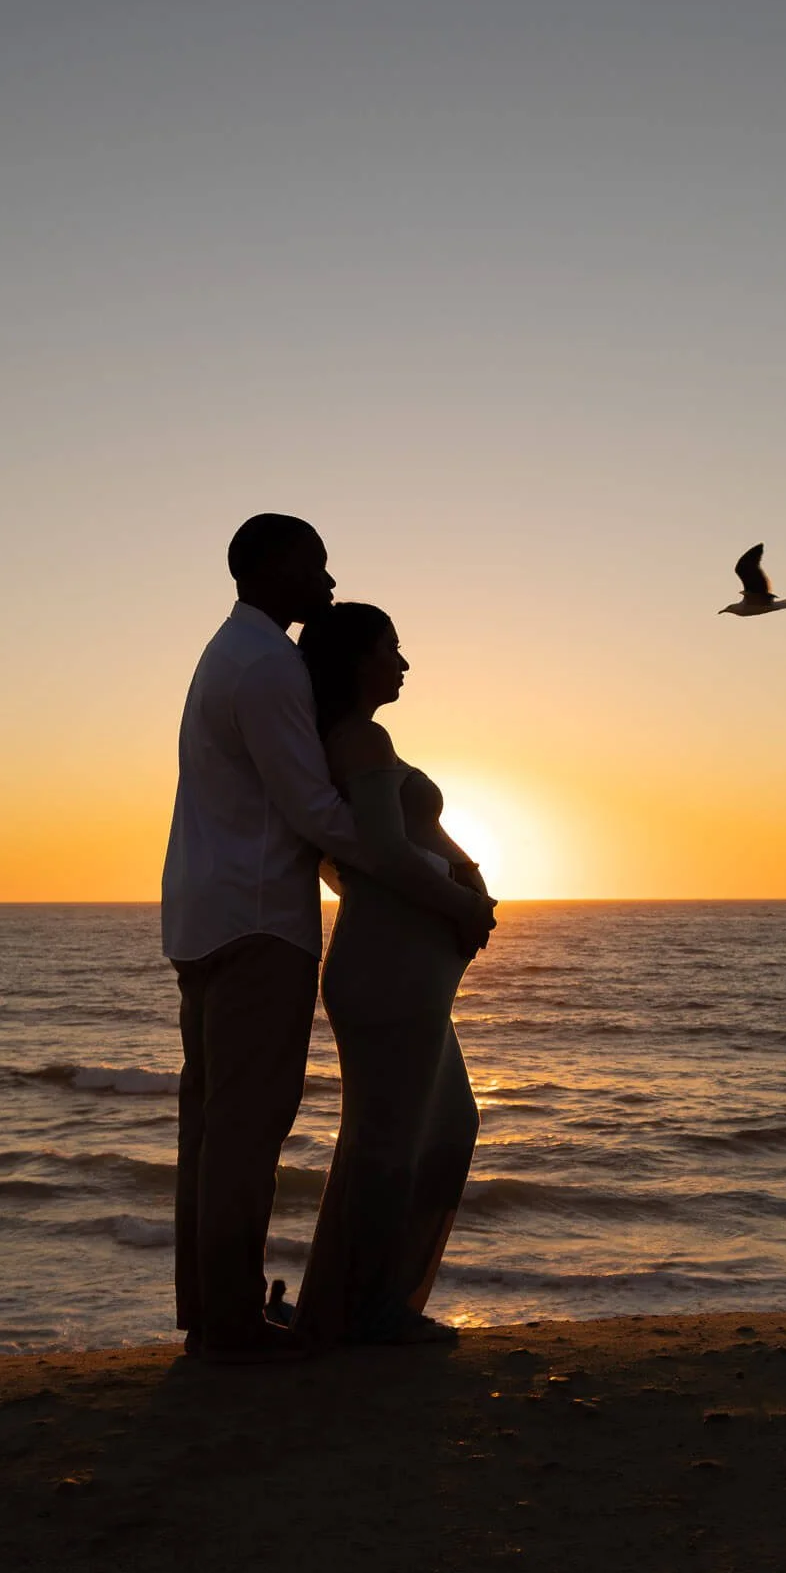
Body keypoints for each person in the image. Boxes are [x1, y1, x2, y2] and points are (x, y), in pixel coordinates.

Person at [163, 516, 495, 1364]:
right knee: (246, 1128)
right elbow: (316, 812)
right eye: (315, 562)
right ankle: (233, 1326)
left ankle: (215, 1313)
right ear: (274, 566)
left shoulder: (227, 654)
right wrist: (433, 877)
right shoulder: (270, 662)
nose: (329, 579)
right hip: (258, 917)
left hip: (209, 911)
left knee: (213, 1125)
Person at [293, 603, 485, 1347]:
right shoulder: (360, 739)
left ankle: (370, 1300)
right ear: (355, 662)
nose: (403, 664)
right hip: (388, 965)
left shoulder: (357, 740)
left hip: (410, 965)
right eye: (391, 650)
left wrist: (468, 896)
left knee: (442, 1126)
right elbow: (378, 850)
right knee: (389, 1141)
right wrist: (462, 905)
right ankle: (369, 1309)